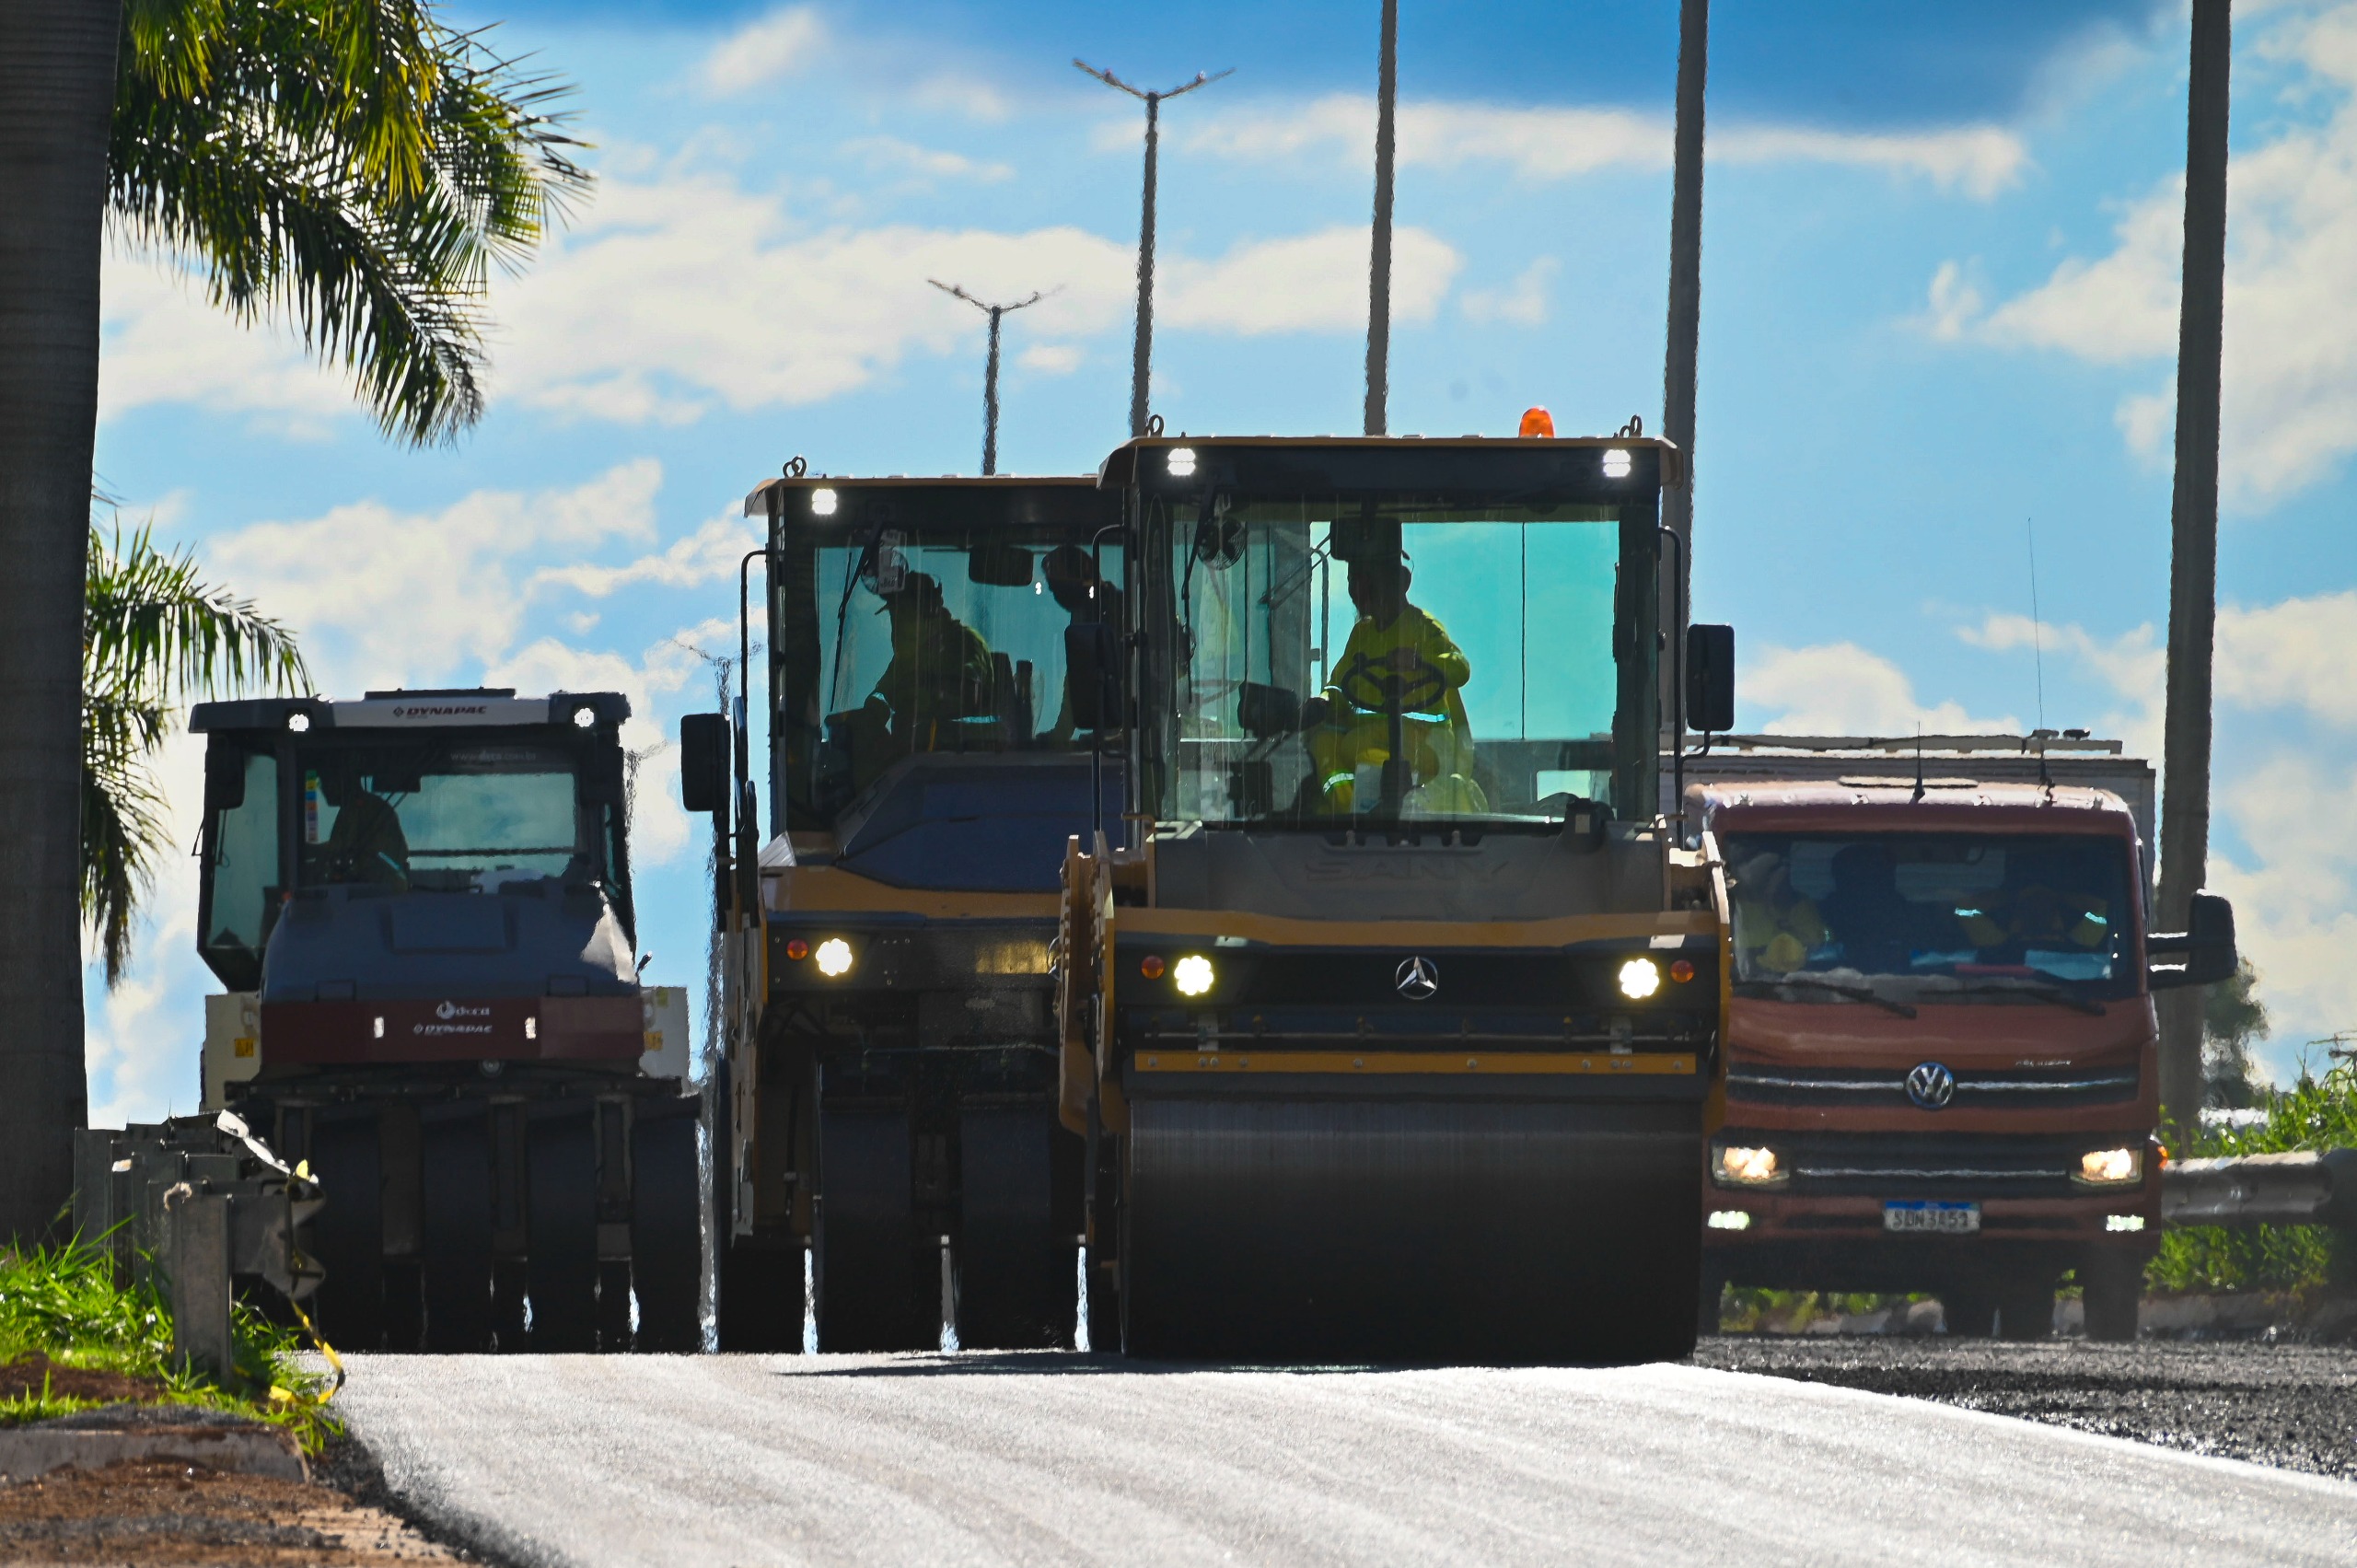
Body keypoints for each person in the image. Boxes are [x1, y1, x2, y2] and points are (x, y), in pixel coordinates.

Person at [1298, 554, 1482, 814]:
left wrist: (1418, 661)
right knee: (1321, 739)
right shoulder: (1361, 634)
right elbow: (1339, 685)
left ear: (1401, 582)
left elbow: (1459, 668)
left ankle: (1390, 812)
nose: (1358, 591)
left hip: (1421, 745)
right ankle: (1348, 813)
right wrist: (1323, 702)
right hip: (1365, 743)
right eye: (1353, 581)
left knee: (1371, 756)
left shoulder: (1423, 627)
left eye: (1368, 581)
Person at [864, 571, 994, 752]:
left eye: (903, 613)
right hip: (911, 762)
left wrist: (923, 687)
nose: (896, 623)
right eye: (894, 615)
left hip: (961, 759)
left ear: (930, 609)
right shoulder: (910, 656)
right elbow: (883, 694)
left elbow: (970, 694)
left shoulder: (965, 642)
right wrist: (868, 716)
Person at [1040, 544, 1123, 747]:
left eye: (1059, 584)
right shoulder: (1084, 609)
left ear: (1086, 572)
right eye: (1052, 586)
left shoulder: (1119, 608)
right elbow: (1078, 676)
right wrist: (1060, 734)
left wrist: (1121, 734)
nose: (1054, 590)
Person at [1733, 852, 1827, 974]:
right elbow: (1741, 950)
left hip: (1804, 979)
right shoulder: (1740, 909)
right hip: (1754, 980)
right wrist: (1770, 905)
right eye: (1777, 879)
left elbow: (1819, 945)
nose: (1784, 885)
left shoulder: (1802, 908)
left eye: (1786, 879)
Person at [322, 789, 411, 889]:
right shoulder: (348, 809)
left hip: (382, 891)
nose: (324, 789)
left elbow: (398, 854)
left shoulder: (367, 808)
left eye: (327, 781)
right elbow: (337, 848)